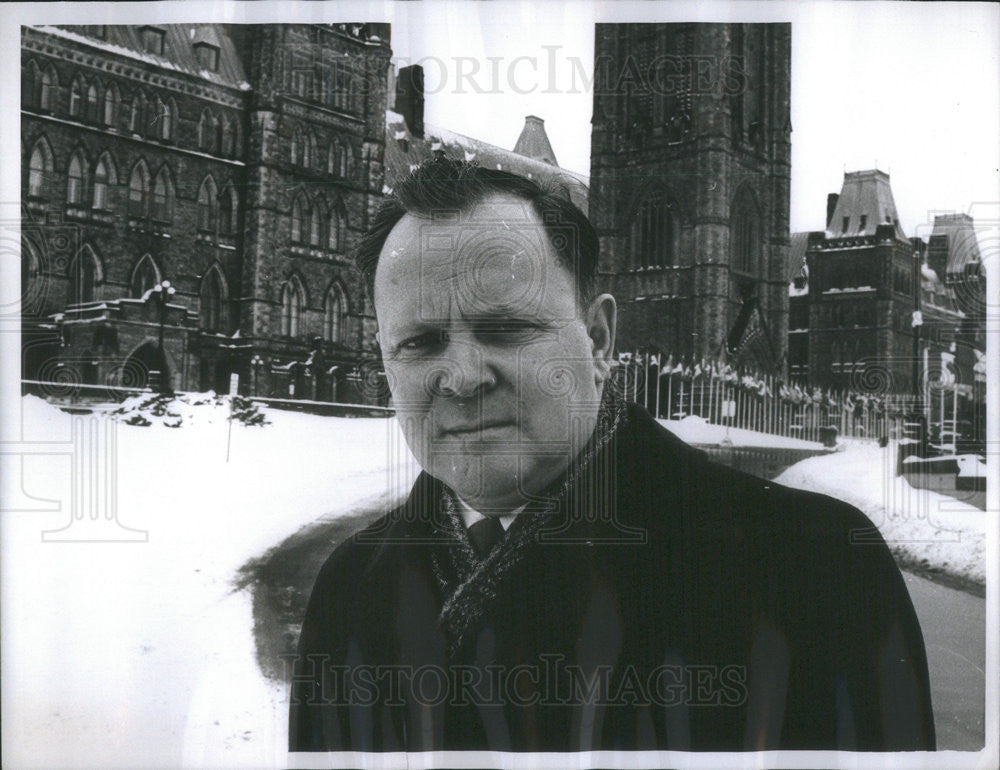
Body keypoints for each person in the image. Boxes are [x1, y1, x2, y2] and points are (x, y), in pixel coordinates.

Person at [288, 157, 935, 755]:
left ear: (598, 340)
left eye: (506, 330)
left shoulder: (814, 568)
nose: (461, 376)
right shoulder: (348, 592)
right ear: (384, 360)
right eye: (419, 343)